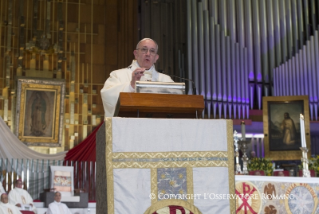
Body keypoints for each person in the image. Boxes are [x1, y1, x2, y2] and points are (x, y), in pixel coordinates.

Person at [100, 38, 173, 117]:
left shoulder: (166, 80)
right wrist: (131, 86)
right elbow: (107, 96)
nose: (148, 54)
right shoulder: (117, 75)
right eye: (144, 49)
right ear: (136, 54)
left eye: (152, 51)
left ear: (156, 58)